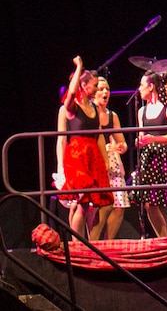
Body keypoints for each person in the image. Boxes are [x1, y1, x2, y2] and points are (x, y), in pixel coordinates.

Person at [56, 59, 111, 240]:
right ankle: (77, 245)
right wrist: (79, 67)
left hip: (93, 157)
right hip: (77, 158)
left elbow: (100, 136)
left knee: (94, 204)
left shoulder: (95, 108)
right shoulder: (72, 108)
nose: (96, 89)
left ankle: (88, 242)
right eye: (94, 85)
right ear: (83, 85)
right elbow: (71, 93)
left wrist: (106, 161)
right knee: (82, 203)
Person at [131, 71, 167, 236]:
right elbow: (141, 136)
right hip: (149, 158)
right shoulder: (142, 111)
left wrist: (154, 139)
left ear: (151, 87)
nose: (139, 89)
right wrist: (140, 141)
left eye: (142, 85)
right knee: (149, 202)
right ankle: (165, 238)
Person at [93, 81, 128, 240]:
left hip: (112, 162)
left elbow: (122, 142)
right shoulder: (89, 113)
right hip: (96, 161)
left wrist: (121, 146)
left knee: (119, 205)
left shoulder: (112, 115)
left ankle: (109, 244)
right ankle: (93, 243)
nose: (105, 92)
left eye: (107, 88)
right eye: (101, 89)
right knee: (102, 206)